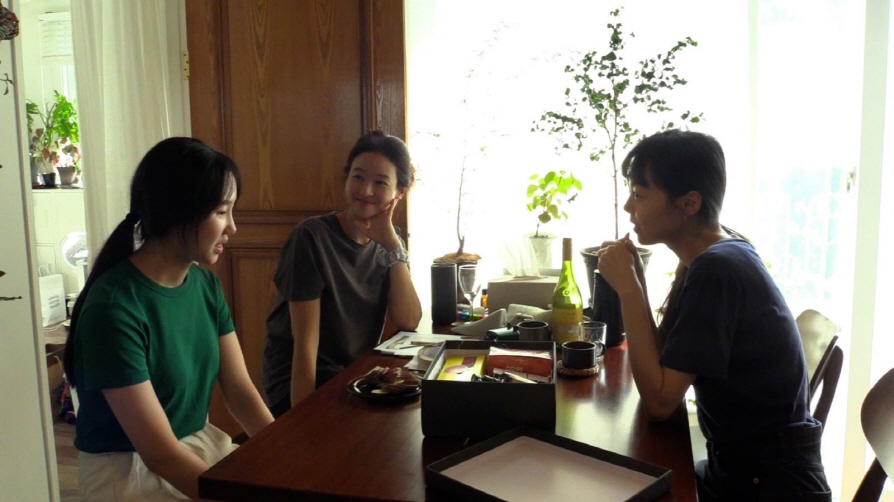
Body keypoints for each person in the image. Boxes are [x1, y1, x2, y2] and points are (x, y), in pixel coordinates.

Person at [596, 130, 832, 501]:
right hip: (743, 471)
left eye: (639, 194)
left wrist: (628, 292)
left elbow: (660, 404)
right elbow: (665, 365)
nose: (628, 207)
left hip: (768, 486)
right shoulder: (718, 251)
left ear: (689, 203)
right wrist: (637, 283)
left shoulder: (717, 270)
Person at [63, 137, 274, 501]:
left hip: (196, 446)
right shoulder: (113, 308)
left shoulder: (205, 286)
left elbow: (240, 393)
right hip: (128, 472)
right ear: (179, 212)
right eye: (221, 212)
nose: (232, 227)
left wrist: (286, 455)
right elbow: (160, 454)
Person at [262, 130, 422, 417]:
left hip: (353, 375)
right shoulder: (311, 237)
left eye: (380, 182)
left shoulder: (390, 242)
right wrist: (300, 421)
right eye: (358, 177)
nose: (366, 190)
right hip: (301, 381)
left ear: (399, 192)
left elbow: (408, 320)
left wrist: (393, 246)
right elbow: (305, 344)